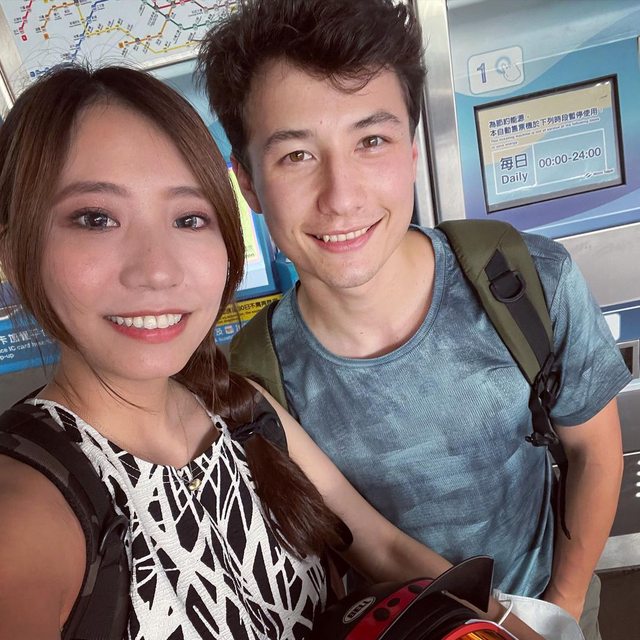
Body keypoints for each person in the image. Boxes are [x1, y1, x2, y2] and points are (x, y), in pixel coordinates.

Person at [0, 65, 544, 640]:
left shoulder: (239, 407)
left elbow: (384, 549)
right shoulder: (32, 506)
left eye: (189, 218)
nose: (158, 270)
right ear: (13, 252)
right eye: (95, 219)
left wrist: (507, 628)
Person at [199, 1, 631, 638]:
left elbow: (594, 449)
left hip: (550, 600)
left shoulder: (524, 282)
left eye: (370, 141)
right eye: (296, 155)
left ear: (410, 150)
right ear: (249, 185)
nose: (341, 197)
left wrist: (558, 611)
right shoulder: (255, 381)